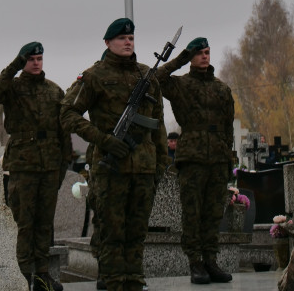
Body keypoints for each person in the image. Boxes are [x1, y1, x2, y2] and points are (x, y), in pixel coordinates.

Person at [60, 18, 168, 291]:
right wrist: (103, 140)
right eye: (121, 38)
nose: (127, 42)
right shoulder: (94, 76)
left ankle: (133, 280)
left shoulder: (147, 76)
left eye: (131, 38)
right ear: (108, 43)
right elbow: (67, 113)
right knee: (110, 229)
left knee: (137, 230)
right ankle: (111, 280)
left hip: (144, 167)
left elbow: (159, 125)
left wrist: (160, 164)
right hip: (110, 168)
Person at [0, 42, 71, 291]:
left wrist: (64, 163)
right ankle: (22, 276)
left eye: (39, 58)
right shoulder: (12, 87)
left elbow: (63, 129)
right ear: (24, 61)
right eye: (31, 59)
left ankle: (42, 275)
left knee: (44, 222)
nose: (36, 63)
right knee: (23, 222)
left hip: (50, 165)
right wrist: (13, 66)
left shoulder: (54, 91)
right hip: (23, 164)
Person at [156, 36, 234, 285]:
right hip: (192, 157)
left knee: (213, 213)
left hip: (218, 157)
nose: (204, 56)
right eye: (199, 53)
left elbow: (228, 126)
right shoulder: (181, 85)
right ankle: (195, 263)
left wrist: (228, 156)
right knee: (192, 212)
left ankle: (211, 260)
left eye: (207, 52)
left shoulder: (222, 88)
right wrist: (180, 58)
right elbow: (156, 80)